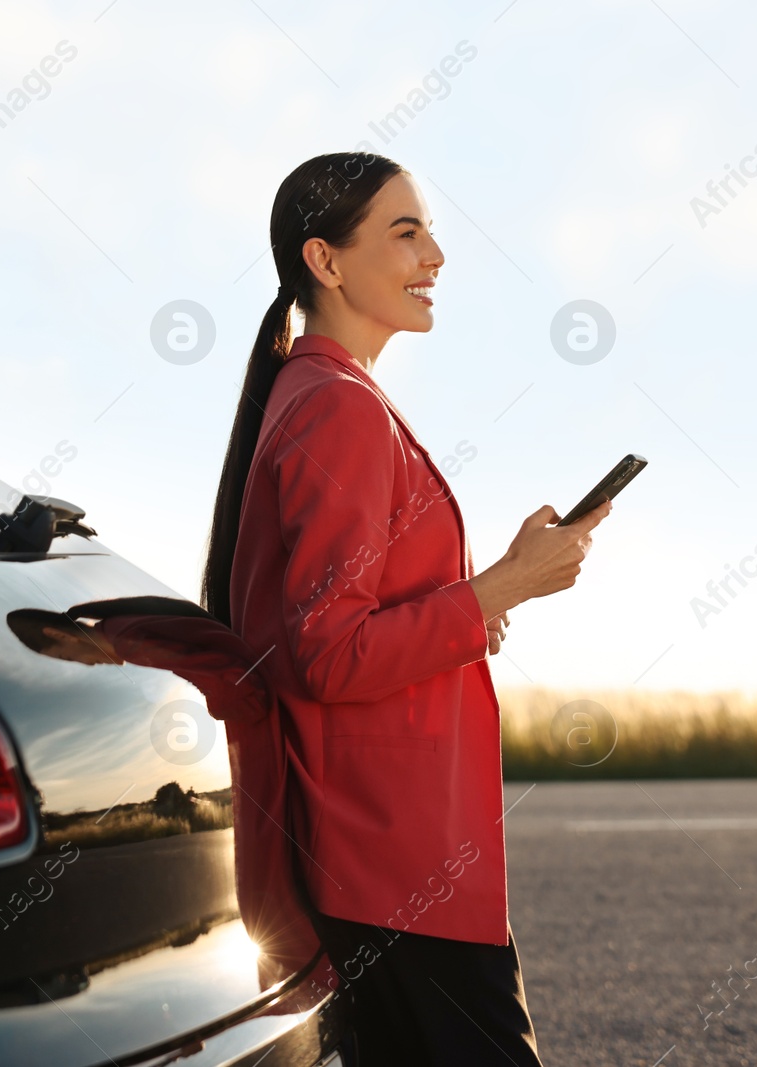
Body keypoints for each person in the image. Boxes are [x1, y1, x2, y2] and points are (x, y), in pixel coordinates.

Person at [198, 151, 612, 1065]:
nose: (437, 254)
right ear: (327, 261)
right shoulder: (337, 408)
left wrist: (484, 595)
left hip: (387, 858)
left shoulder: (328, 397)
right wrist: (509, 584)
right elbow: (327, 650)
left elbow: (351, 624)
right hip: (394, 859)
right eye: (406, 231)